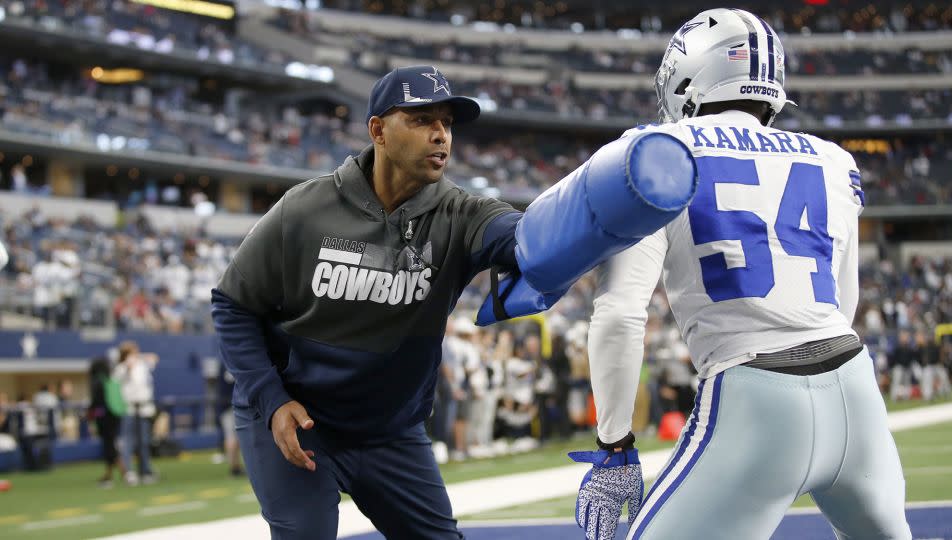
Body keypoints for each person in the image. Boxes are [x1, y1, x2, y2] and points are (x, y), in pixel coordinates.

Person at [211, 64, 695, 539]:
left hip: (388, 431)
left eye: (446, 123)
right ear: (378, 130)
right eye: (422, 120)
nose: (441, 135)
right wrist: (272, 402)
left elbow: (526, 238)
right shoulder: (305, 209)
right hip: (299, 417)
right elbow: (232, 304)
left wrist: (607, 204)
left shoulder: (462, 214)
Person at [572, 9, 911, 540]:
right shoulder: (833, 159)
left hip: (754, 400)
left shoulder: (655, 154)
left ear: (687, 78)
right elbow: (842, 305)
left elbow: (620, 312)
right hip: (855, 391)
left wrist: (614, 447)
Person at [114, 341, 158, 485]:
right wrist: (128, 366)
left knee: (144, 441)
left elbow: (154, 358)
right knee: (128, 441)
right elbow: (117, 378)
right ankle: (129, 472)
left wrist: (140, 358)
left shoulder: (141, 365)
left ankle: (145, 471)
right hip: (130, 409)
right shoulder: (121, 368)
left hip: (144, 408)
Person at [88, 357, 127, 487]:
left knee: (109, 446)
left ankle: (122, 473)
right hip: (115, 415)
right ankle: (113, 474)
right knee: (111, 445)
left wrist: (91, 415)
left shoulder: (97, 381)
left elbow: (96, 403)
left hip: (104, 417)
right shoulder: (109, 380)